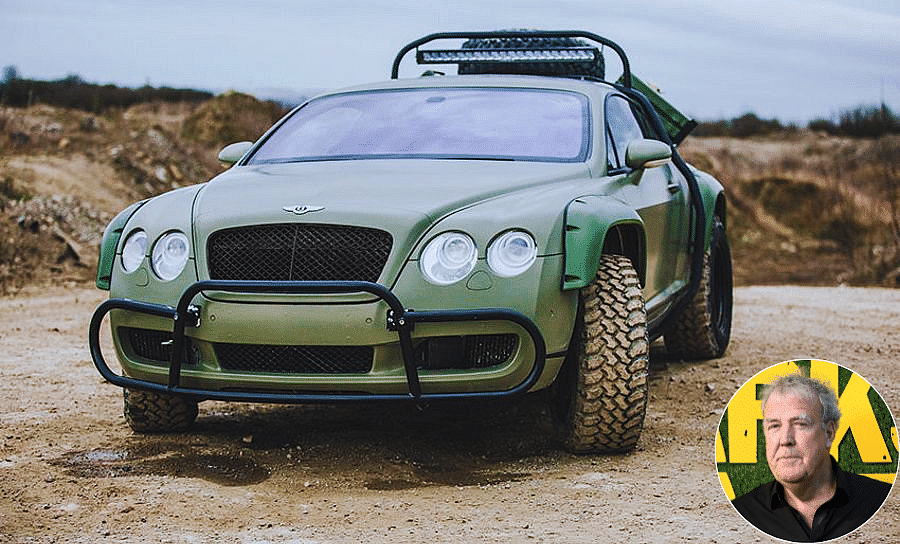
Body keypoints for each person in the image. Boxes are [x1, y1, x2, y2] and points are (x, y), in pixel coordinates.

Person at [731, 372, 892, 542]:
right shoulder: (745, 509)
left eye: (801, 424)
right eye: (774, 426)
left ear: (829, 433)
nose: (785, 439)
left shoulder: (879, 501)